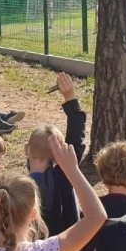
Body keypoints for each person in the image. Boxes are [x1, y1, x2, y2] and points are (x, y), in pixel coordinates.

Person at [26, 72, 86, 237]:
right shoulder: (64, 176)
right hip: (68, 248)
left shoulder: (21, 187)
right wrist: (70, 98)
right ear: (62, 154)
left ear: (26, 150)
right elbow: (76, 139)